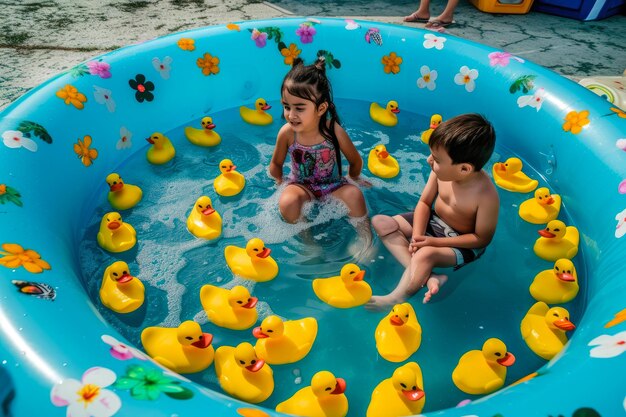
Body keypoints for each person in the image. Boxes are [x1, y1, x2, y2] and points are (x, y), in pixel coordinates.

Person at [368, 114, 498, 308]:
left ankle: (395, 298)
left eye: (436, 159)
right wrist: (418, 236)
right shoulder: (442, 171)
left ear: (464, 169)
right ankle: (429, 276)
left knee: (426, 254)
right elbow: (424, 203)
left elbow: (481, 239)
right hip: (435, 222)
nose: (429, 160)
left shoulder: (486, 196)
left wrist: (433, 242)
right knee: (381, 222)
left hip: (463, 243)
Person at [269, 57, 371, 245]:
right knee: (287, 201)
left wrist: (354, 179)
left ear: (321, 108)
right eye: (286, 106)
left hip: (333, 186)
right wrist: (279, 181)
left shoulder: (333, 131)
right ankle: (309, 243)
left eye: (299, 108)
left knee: (354, 195)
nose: (291, 115)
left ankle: (364, 239)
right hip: (301, 186)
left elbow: (355, 160)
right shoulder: (287, 133)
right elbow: (275, 163)